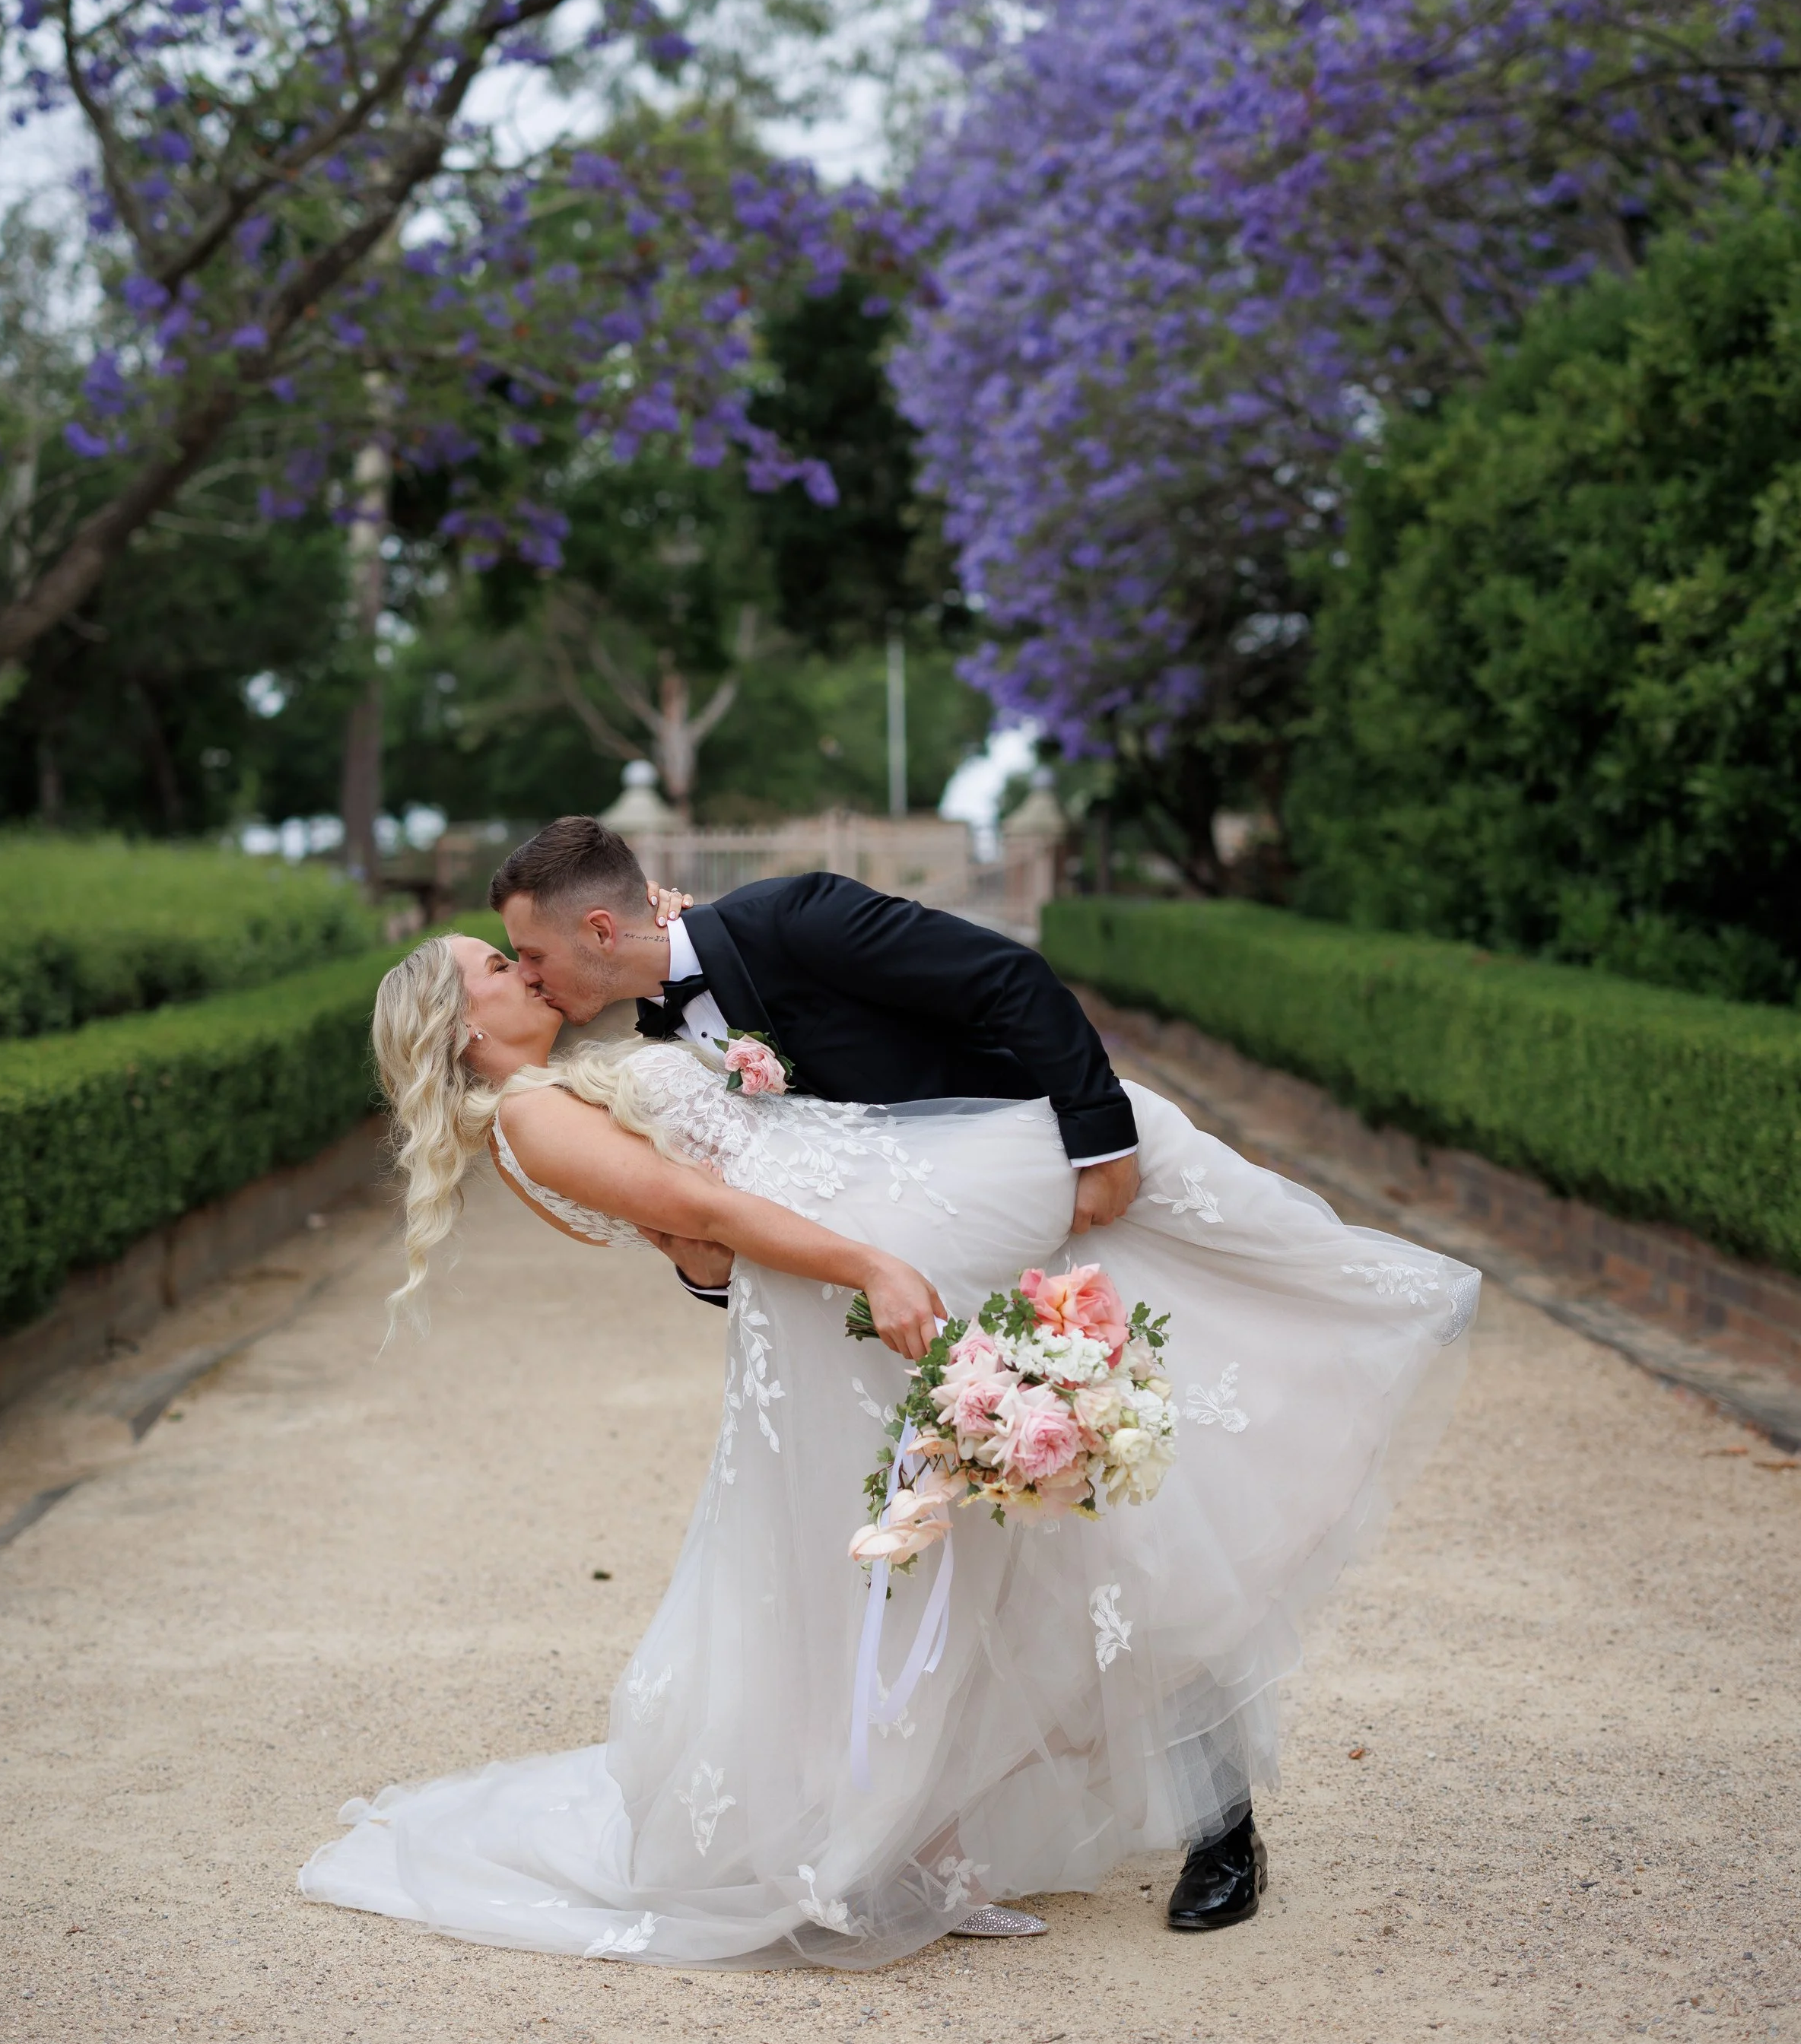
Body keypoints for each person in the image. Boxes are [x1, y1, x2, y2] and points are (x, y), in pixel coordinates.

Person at [299, 824, 1479, 1969]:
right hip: (876, 1292)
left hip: (1004, 1197)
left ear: (600, 926)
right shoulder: (580, 1067)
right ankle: (923, 1828)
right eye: (505, 967)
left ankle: (1205, 1822)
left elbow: (1003, 979)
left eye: (526, 952)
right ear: (468, 1019)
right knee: (1004, 1537)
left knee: (1124, 1505)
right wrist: (806, 1267)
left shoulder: (776, 927)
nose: (529, 973)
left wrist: (1098, 1135)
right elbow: (701, 1235)